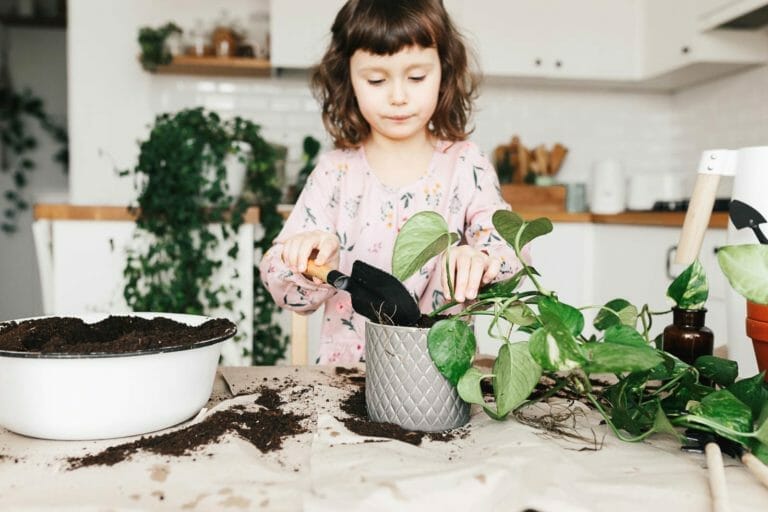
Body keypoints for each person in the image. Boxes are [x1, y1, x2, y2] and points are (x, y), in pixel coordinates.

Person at [260, 0, 527, 364]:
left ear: (444, 71)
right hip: (345, 381)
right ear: (347, 79)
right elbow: (277, 277)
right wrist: (307, 259)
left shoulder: (466, 165)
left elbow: (513, 257)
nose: (398, 97)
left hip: (440, 382)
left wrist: (481, 260)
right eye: (376, 80)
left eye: (416, 77)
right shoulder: (334, 173)